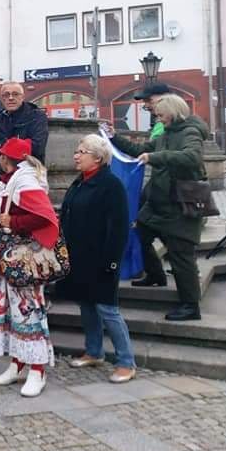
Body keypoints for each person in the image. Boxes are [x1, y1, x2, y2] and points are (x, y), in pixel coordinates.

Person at [106, 94, 209, 321]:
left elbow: (191, 158)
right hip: (159, 204)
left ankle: (191, 306)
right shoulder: (165, 134)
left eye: (161, 115)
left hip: (181, 205)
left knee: (181, 256)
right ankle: (155, 275)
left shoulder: (190, 133)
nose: (158, 119)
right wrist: (114, 138)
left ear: (174, 112)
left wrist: (155, 157)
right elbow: (140, 149)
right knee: (139, 234)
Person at [0, 138, 58, 398]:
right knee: (14, 317)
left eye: (1, 155)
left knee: (29, 316)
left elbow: (43, 216)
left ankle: (37, 370)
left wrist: (12, 221)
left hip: (24, 262)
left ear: (6, 159)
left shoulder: (25, 182)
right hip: (12, 262)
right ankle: (18, 364)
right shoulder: (16, 180)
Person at [60, 135, 136, 383]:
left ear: (98, 158)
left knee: (108, 309)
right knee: (87, 306)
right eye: (76, 151)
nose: (76, 155)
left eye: (82, 152)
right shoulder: (80, 181)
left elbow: (118, 227)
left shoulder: (110, 185)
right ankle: (94, 351)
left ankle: (126, 361)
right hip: (80, 257)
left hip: (102, 259)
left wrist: (112, 261)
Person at [0, 81, 49, 162]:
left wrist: (0, 150)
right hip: (3, 172)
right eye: (6, 95)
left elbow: (37, 148)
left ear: (22, 97)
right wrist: (20, 146)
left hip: (29, 170)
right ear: (2, 98)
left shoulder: (36, 116)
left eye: (15, 94)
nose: (10, 98)